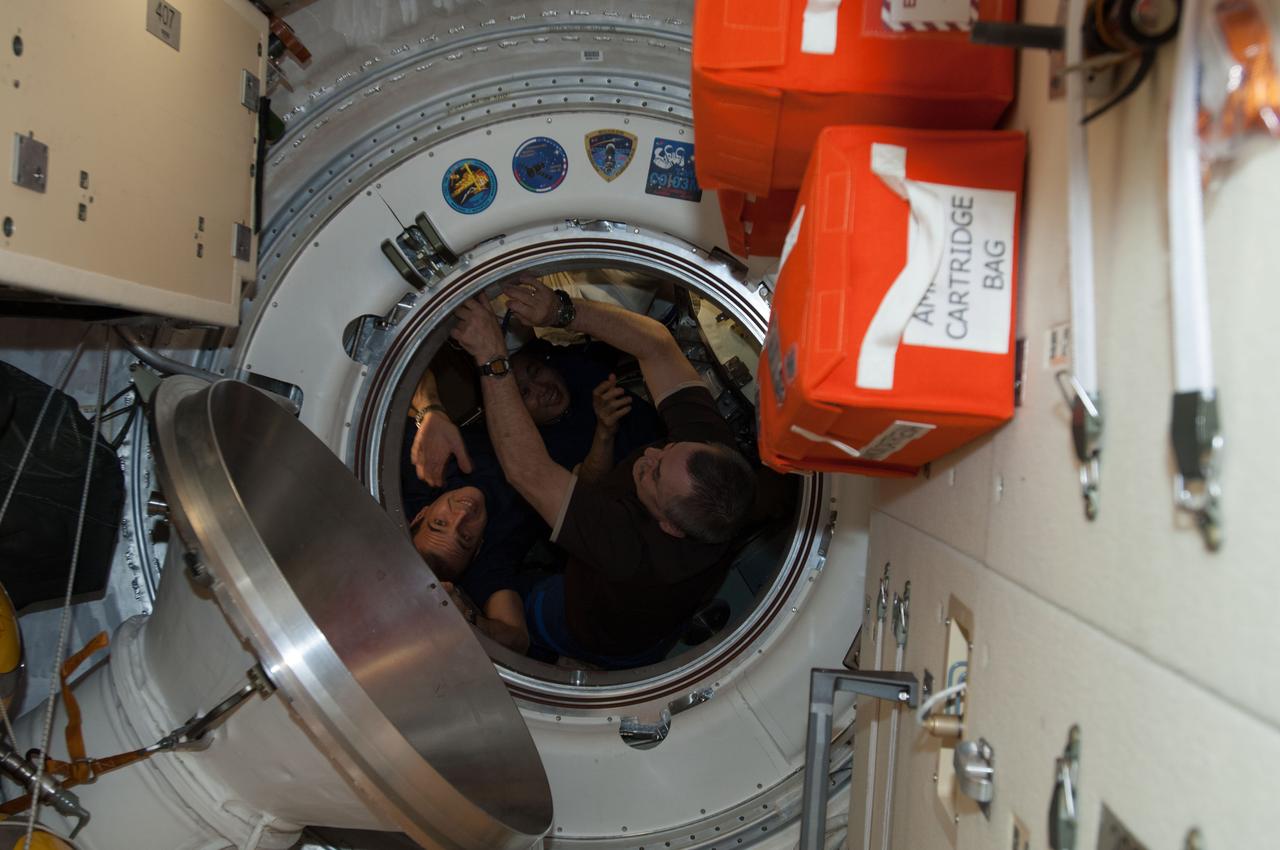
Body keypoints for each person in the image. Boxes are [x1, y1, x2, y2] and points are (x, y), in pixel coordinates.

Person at [450, 276, 757, 669]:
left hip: (590, 623)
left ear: (669, 526)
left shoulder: (631, 549)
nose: (651, 454)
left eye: (654, 475)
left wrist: (492, 359)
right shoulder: (716, 470)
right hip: (661, 610)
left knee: (535, 613)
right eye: (670, 447)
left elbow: (527, 471)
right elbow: (658, 346)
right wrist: (561, 310)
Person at [401, 335, 658, 655]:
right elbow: (515, 638)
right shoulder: (486, 565)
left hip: (519, 407)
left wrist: (430, 412)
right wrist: (467, 618)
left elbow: (406, 370)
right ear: (478, 548)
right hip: (566, 460)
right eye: (465, 537)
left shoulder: (423, 470)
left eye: (439, 523)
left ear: (422, 513)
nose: (462, 515)